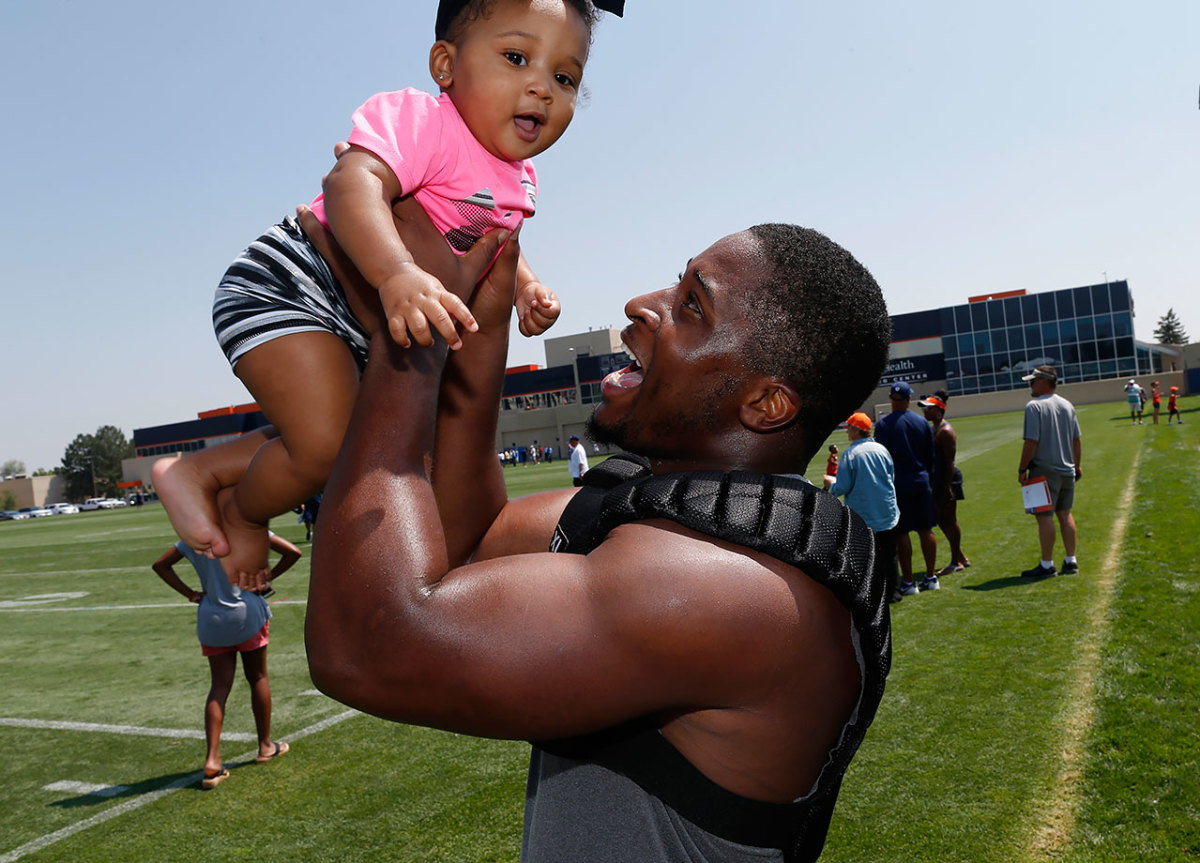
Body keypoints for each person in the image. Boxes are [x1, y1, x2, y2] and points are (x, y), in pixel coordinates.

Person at [301, 206, 894, 861]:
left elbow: (365, 647)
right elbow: (473, 541)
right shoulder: (662, 500)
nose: (642, 303)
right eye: (676, 282)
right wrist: (483, 321)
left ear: (765, 403)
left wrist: (406, 347)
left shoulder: (727, 587)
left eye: (692, 306)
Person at [152, 0, 622, 586]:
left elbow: (498, 240)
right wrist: (396, 271)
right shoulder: (423, 121)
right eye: (516, 57)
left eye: (564, 77)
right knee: (325, 446)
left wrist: (525, 288)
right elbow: (353, 185)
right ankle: (239, 511)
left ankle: (200, 469)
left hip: (360, 317)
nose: (542, 87)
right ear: (445, 64)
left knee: (346, 440)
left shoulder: (520, 179)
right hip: (292, 285)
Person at [151, 512, 301, 789]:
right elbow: (293, 552)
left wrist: (191, 593)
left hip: (212, 617)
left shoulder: (195, 535)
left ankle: (212, 761)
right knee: (258, 677)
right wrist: (265, 578)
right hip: (248, 613)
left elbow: (160, 565)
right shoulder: (248, 528)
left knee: (219, 687)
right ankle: (265, 746)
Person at [827, 412, 902, 603]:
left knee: (866, 558)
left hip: (864, 515)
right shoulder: (881, 449)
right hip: (886, 510)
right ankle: (894, 592)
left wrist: (830, 486)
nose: (847, 433)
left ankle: (872, 595)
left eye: (848, 429)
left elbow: (843, 487)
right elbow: (891, 476)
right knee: (890, 554)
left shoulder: (851, 454)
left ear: (855, 430)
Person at [874, 381, 939, 595]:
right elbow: (931, 456)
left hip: (898, 484)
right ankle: (931, 577)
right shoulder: (921, 423)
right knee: (925, 529)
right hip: (921, 481)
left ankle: (909, 582)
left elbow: (881, 459)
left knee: (902, 533)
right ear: (909, 399)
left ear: (892, 400)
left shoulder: (884, 426)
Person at [1017, 365, 1082, 578]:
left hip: (1043, 469)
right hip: (1066, 469)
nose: (1031, 385)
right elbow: (1076, 440)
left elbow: (1031, 441)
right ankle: (1071, 560)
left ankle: (1047, 565)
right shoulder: (1067, 405)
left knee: (1044, 517)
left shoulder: (1033, 406)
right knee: (1065, 513)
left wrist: (1022, 468)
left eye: (1033, 381)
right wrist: (1077, 465)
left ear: (1044, 381)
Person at [918, 390, 970, 574]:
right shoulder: (934, 427)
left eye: (928, 409)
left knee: (950, 519)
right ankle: (960, 556)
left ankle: (956, 562)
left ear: (939, 411)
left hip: (948, 480)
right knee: (940, 518)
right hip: (938, 479)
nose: (925, 412)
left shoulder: (945, 431)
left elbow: (949, 462)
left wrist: (947, 487)